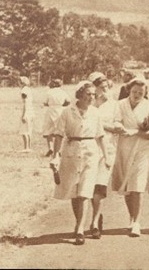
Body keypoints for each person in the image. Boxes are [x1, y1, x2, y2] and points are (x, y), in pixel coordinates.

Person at [50, 81, 109, 245]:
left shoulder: (95, 113)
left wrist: (106, 156)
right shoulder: (67, 112)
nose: (92, 97)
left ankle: (80, 228)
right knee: (74, 192)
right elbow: (58, 134)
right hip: (71, 151)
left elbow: (101, 135)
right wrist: (55, 156)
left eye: (93, 94)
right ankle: (80, 224)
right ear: (80, 95)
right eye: (88, 94)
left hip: (90, 152)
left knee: (85, 191)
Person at [110, 76, 149, 237]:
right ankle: (131, 218)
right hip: (124, 147)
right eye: (134, 91)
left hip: (143, 148)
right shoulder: (120, 104)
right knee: (127, 185)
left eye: (141, 92)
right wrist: (119, 127)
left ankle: (137, 222)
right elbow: (116, 122)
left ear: (145, 93)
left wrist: (139, 132)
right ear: (129, 91)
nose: (137, 94)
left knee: (137, 184)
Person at [88, 72, 118, 238]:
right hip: (89, 148)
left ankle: (94, 222)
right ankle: (93, 216)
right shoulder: (88, 104)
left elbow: (117, 124)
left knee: (100, 186)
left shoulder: (114, 105)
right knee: (88, 187)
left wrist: (104, 126)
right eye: (101, 88)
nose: (104, 91)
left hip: (107, 148)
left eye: (106, 87)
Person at [42, 79, 69, 156]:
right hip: (60, 110)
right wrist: (62, 104)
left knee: (48, 130)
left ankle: (50, 148)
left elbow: (45, 102)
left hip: (51, 111)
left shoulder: (49, 92)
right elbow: (68, 101)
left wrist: (50, 104)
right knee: (59, 130)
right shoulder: (63, 92)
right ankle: (59, 149)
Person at [19, 75, 34, 151]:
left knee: (24, 130)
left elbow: (25, 103)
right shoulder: (29, 89)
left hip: (26, 111)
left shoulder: (24, 90)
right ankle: (29, 147)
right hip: (31, 111)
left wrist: (23, 114)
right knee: (29, 130)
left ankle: (26, 147)